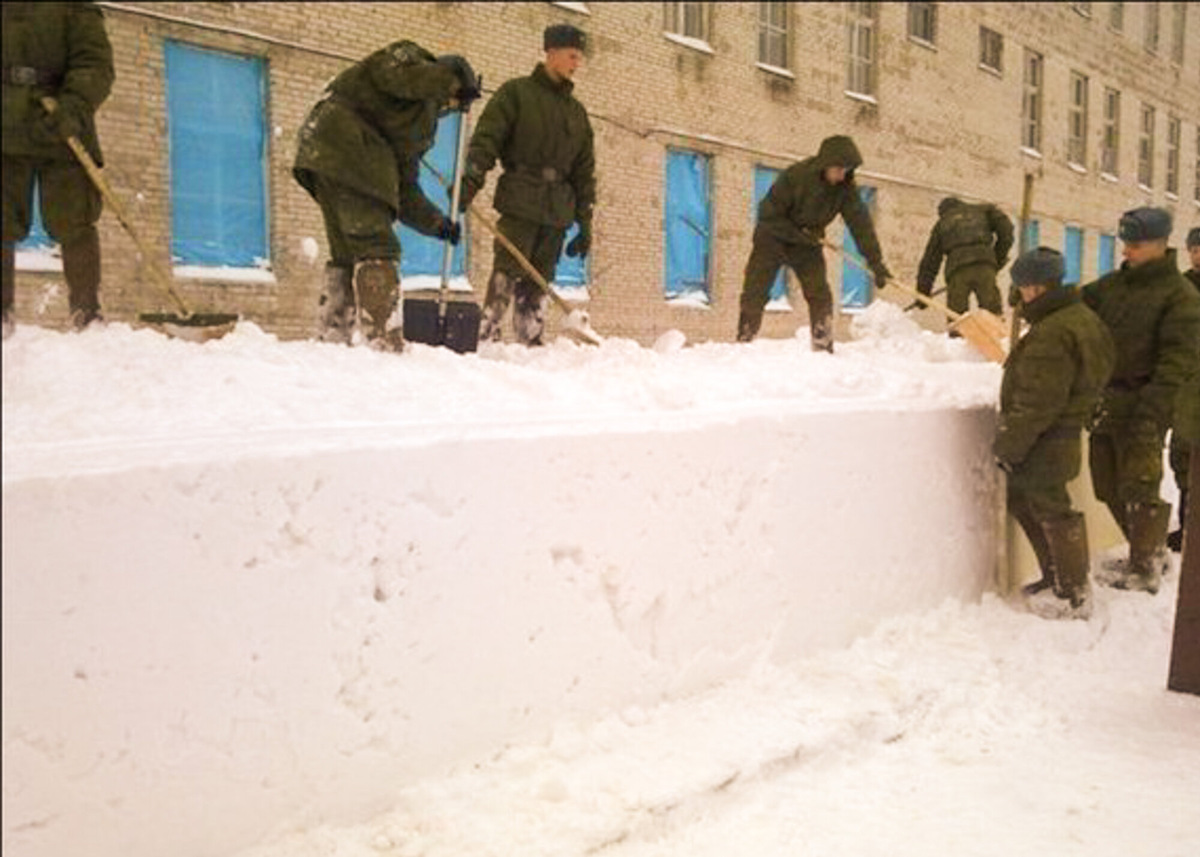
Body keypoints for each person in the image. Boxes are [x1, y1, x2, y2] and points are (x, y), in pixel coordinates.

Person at [293, 41, 480, 351]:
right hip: (346, 142)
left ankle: (333, 339)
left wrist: (437, 223)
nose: (447, 106)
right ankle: (382, 340)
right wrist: (449, 81)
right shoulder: (407, 59)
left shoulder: (420, 126)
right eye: (450, 100)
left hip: (328, 157)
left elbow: (404, 188)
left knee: (347, 253)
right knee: (377, 246)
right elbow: (391, 74)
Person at [1082, 208, 1200, 593]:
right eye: (1126, 243)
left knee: (1140, 485)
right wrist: (1042, 294)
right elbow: (1077, 306)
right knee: (1106, 485)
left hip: (1145, 402)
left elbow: (1178, 361)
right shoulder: (1113, 286)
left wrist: (1153, 411)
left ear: (1160, 244)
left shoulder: (1180, 296)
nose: (1127, 250)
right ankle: (1148, 548)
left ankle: (1145, 565)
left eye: (1135, 244)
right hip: (1108, 400)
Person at [457, 23, 596, 346]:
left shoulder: (576, 113)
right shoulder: (516, 94)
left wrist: (585, 222)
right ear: (551, 52)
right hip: (520, 200)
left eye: (579, 57)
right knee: (506, 270)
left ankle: (530, 342)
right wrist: (471, 180)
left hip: (557, 210)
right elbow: (487, 140)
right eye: (572, 56)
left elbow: (584, 172)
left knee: (539, 281)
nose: (577, 64)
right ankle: (488, 335)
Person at [995, 248, 1115, 619]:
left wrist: (1009, 446)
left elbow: (1037, 401)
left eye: (1021, 287)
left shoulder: (1052, 332)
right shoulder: (1082, 318)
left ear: (1034, 287)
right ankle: (1058, 579)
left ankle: (1072, 593)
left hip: (1047, 437)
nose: (1018, 294)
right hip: (1063, 430)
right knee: (1032, 501)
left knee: (1051, 507)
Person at [2, 1, 114, 339]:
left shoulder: (74, 7)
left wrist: (73, 108)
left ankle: (87, 314)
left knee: (74, 220)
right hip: (5, 127)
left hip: (60, 126)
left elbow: (95, 64)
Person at [736, 135, 891, 352]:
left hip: (807, 244)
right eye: (839, 169)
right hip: (772, 237)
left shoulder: (845, 189)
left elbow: (861, 225)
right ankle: (744, 341)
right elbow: (767, 214)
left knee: (820, 294)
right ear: (825, 164)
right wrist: (798, 234)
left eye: (846, 170)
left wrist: (875, 262)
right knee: (756, 290)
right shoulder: (796, 176)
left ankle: (822, 346)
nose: (842, 175)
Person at [916, 196, 1014, 316]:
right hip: (984, 266)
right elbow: (1006, 230)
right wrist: (997, 258)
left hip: (957, 271)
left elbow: (930, 262)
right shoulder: (983, 210)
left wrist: (923, 293)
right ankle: (995, 326)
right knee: (992, 314)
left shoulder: (941, 224)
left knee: (957, 317)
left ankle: (957, 328)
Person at [1167, 226, 1200, 551]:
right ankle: (1187, 524)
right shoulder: (1181, 287)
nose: (1198, 255)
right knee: (1182, 455)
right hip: (1186, 384)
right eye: (1194, 249)